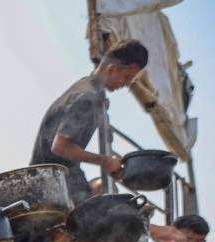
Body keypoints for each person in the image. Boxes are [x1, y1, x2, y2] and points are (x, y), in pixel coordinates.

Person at [30, 39, 149, 204]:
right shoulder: (88, 97)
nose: (128, 84)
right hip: (48, 186)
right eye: (127, 77)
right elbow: (60, 147)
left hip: (57, 179)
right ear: (112, 69)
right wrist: (104, 161)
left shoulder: (87, 89)